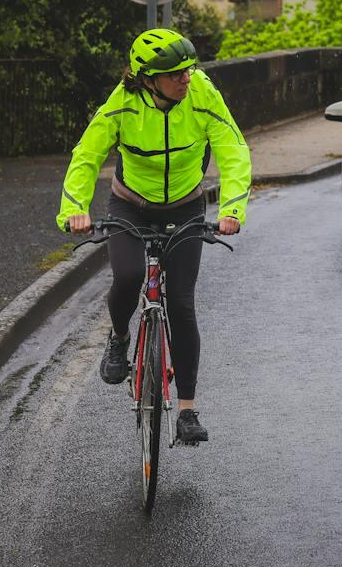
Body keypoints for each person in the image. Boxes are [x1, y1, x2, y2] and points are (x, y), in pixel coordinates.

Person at [57, 28, 251, 446]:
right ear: (148, 79)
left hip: (185, 205)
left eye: (188, 70)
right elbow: (87, 155)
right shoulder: (122, 104)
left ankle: (187, 411)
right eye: (175, 73)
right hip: (131, 204)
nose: (187, 78)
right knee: (126, 277)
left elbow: (233, 148)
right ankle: (120, 337)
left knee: (180, 302)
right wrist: (74, 209)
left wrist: (232, 208)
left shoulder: (201, 92)